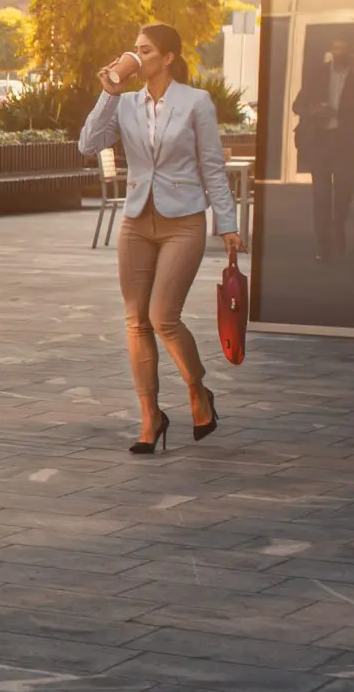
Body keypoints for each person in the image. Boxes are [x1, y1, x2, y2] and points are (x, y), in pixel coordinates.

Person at [81, 23, 241, 454]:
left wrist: (227, 225)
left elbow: (212, 167)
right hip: (136, 220)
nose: (136, 56)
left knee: (163, 317)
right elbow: (87, 143)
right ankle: (150, 415)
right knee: (136, 320)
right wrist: (109, 93)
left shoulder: (196, 103)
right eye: (133, 49)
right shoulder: (126, 103)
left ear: (167, 58)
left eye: (145, 50)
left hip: (183, 221)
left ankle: (197, 390)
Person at [292, 35, 354, 262]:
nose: (339, 53)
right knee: (321, 194)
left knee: (343, 192)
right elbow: (298, 105)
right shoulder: (318, 73)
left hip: (348, 143)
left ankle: (337, 229)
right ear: (331, 50)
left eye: (344, 49)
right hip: (320, 140)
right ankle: (324, 245)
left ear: (351, 52)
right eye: (335, 48)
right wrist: (315, 111)